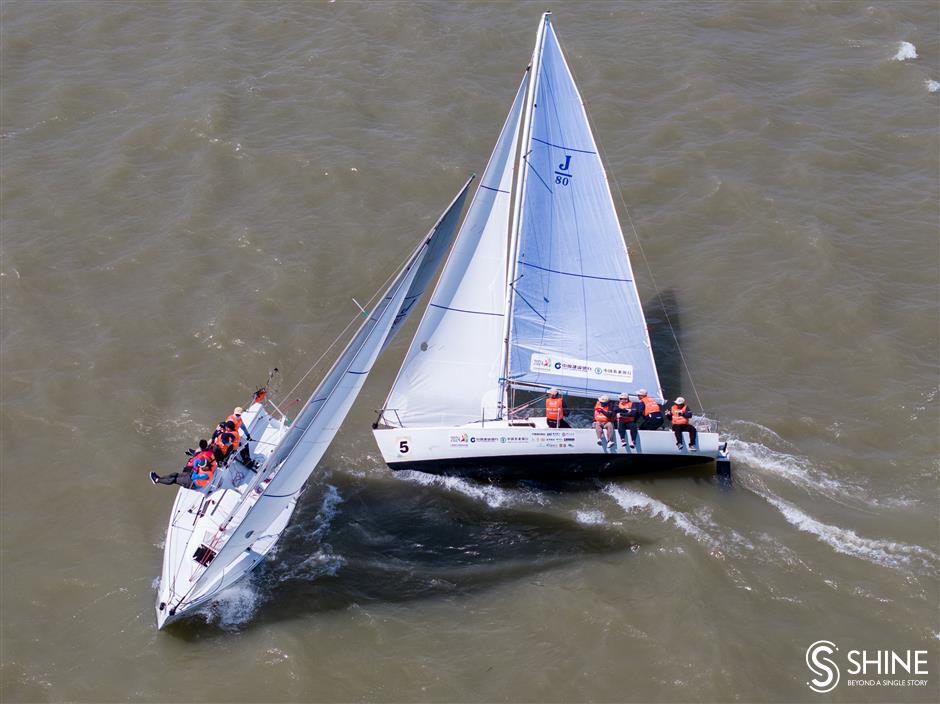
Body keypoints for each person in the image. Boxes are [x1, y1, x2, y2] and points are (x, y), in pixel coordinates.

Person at [150, 445, 217, 489]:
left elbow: (193, 477)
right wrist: (195, 468)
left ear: (205, 467)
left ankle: (157, 480)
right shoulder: (205, 463)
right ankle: (160, 478)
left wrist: (195, 470)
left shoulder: (205, 475)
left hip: (192, 483)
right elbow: (196, 461)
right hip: (191, 475)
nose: (201, 467)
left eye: (202, 467)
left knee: (173, 480)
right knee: (174, 474)